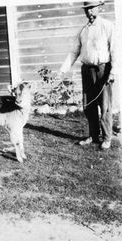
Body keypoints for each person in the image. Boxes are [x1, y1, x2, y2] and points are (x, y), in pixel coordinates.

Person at [58, 1, 115, 149]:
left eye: (91, 8)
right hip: (87, 71)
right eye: (86, 9)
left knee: (105, 106)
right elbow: (74, 52)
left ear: (98, 8)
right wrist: (63, 70)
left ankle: (107, 138)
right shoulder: (83, 30)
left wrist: (113, 72)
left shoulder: (107, 26)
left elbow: (116, 50)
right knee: (88, 105)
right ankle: (93, 135)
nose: (89, 11)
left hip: (103, 70)